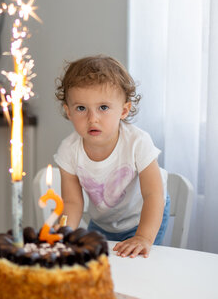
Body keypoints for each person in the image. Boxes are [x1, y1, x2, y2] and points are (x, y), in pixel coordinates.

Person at [53, 55, 169, 258]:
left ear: (124, 110)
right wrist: (64, 235)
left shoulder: (137, 142)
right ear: (68, 111)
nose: (92, 118)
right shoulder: (68, 150)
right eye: (81, 108)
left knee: (135, 266)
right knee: (97, 269)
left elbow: (154, 194)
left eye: (103, 107)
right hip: (102, 223)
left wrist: (143, 237)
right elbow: (72, 202)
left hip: (143, 219)